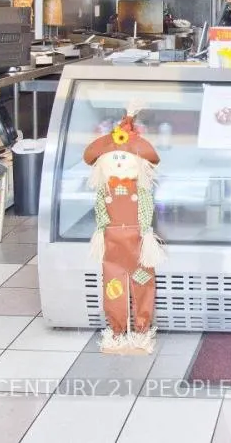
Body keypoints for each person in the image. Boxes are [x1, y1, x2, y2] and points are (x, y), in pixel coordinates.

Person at [84, 112, 165, 354]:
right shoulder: (104, 189)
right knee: (113, 285)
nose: (119, 161)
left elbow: (146, 211)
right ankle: (117, 331)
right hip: (112, 244)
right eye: (115, 157)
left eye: (124, 157)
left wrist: (147, 234)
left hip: (138, 243)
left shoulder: (141, 189)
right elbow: (101, 211)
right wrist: (101, 232)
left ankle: (141, 330)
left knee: (142, 282)